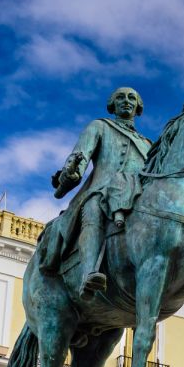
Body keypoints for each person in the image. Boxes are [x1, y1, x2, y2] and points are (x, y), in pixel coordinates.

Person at [37, 87, 152, 295]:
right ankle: (89, 273)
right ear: (112, 105)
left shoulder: (147, 144)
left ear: (138, 106)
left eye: (131, 98)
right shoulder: (100, 126)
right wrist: (71, 172)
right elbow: (80, 156)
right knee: (93, 209)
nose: (126, 101)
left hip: (138, 194)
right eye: (120, 97)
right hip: (103, 189)